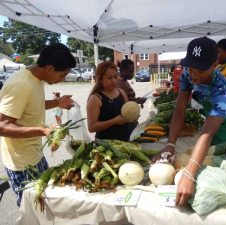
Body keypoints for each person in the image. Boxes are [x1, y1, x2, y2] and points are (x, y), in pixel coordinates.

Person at [153, 37, 226, 207]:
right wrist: (170, 144)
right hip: (211, 121)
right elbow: (180, 110)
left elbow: (208, 132)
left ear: (215, 64)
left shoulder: (222, 89)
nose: (194, 74)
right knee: (205, 160)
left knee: (224, 169)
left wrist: (188, 175)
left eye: (200, 70)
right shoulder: (188, 73)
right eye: (191, 68)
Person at [0, 43, 76, 207]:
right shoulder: (20, 84)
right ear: (49, 68)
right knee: (32, 210)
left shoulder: (36, 79)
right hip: (21, 163)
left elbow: (32, 105)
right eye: (62, 75)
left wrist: (57, 102)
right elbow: (2, 126)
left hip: (36, 155)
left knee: (45, 206)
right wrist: (43, 130)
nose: (62, 79)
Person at [87, 61, 131, 141]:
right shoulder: (95, 98)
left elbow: (128, 112)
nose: (114, 80)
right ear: (100, 80)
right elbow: (91, 127)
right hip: (105, 147)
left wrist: (132, 116)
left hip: (125, 142)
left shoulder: (122, 92)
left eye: (115, 77)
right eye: (110, 78)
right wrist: (114, 121)